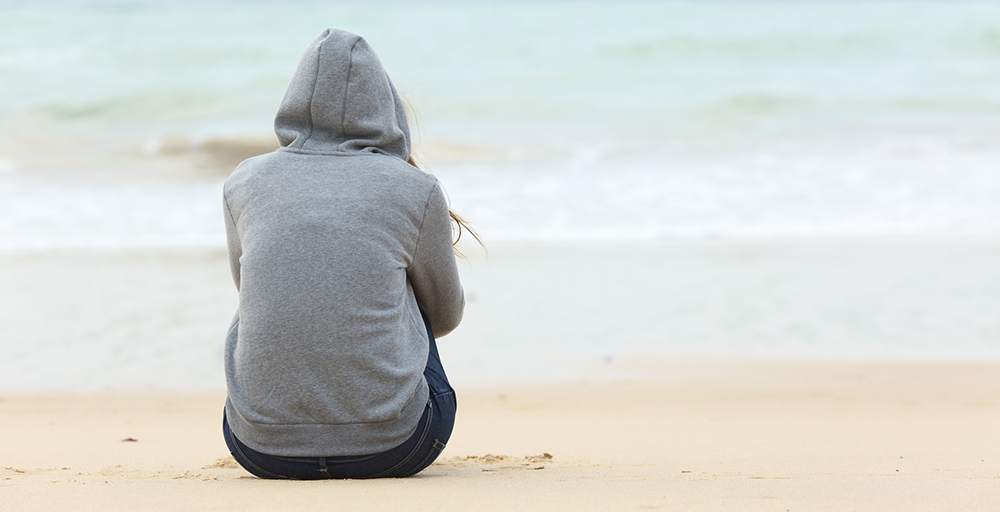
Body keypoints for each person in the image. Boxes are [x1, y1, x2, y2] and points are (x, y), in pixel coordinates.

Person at [220, 27, 470, 479]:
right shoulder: (414, 188)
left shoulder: (244, 180)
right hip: (397, 448)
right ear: (386, 108)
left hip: (259, 449)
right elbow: (446, 316)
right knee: (401, 287)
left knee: (293, 278)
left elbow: (249, 290)